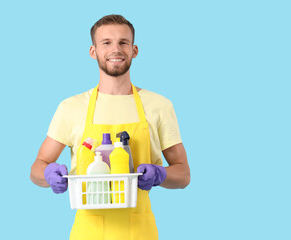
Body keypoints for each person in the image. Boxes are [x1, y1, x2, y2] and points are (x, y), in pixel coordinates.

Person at [30, 14, 190, 240]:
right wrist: (47, 174)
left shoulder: (159, 106)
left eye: (123, 42)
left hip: (140, 233)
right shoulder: (71, 108)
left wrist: (160, 174)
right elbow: (37, 167)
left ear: (134, 50)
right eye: (106, 42)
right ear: (93, 51)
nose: (116, 49)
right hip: (87, 233)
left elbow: (183, 174)